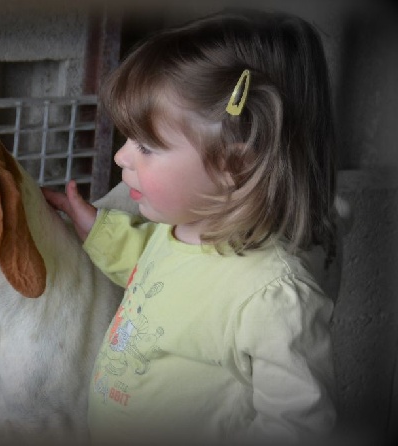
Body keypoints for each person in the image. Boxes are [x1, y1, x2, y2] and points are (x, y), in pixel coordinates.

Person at [43, 8, 338, 445]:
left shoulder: (272, 297)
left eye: (145, 145)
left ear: (233, 164)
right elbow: (158, 277)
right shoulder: (180, 230)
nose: (121, 158)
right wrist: (96, 229)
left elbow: (299, 424)